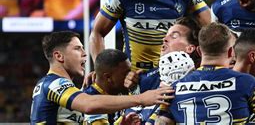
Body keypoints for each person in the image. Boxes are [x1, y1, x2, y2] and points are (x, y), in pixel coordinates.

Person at [157, 23, 255, 124]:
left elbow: (161, 122)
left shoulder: (174, 88)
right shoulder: (246, 83)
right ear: (232, 51)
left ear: (199, 50)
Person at [30, 31, 174, 124]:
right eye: (77, 48)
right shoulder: (53, 83)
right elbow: (89, 104)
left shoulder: (60, 87)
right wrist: (140, 98)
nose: (84, 53)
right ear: (58, 56)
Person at [122, 17, 202, 123]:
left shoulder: (200, 82)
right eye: (166, 35)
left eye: (174, 36)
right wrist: (131, 87)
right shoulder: (144, 78)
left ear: (190, 48)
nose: (164, 39)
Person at [83, 49, 141, 125]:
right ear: (108, 77)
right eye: (125, 73)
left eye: (130, 71)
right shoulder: (91, 101)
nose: (130, 76)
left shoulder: (118, 90)